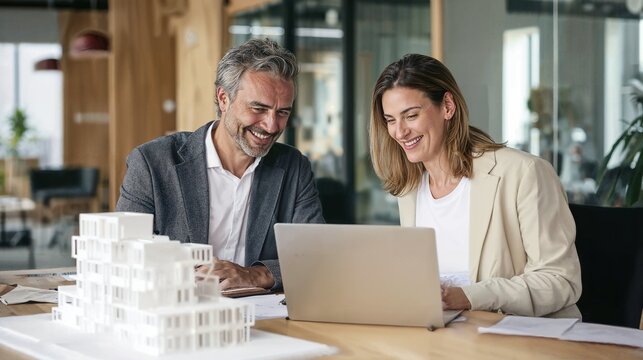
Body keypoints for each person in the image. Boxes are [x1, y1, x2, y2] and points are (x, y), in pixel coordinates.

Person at [369, 54, 581, 318]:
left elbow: (560, 281)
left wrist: (467, 297)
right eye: (390, 120)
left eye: (410, 115)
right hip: (443, 334)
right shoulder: (410, 189)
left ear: (447, 106)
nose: (399, 132)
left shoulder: (524, 173)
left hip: (514, 338)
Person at [116, 38, 324, 291]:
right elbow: (124, 256)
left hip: (266, 320)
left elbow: (315, 257)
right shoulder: (152, 163)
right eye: (258, 108)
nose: (271, 126)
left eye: (282, 113)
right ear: (223, 99)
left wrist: (254, 275)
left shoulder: (294, 167)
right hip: (177, 314)